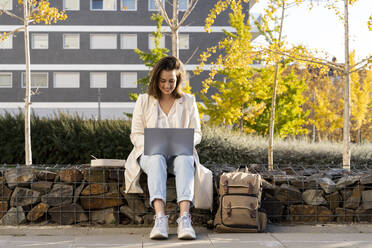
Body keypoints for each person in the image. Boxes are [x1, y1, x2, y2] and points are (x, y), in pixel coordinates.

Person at [124, 56, 205, 240]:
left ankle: (185, 219)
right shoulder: (144, 100)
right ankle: (160, 219)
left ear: (178, 80)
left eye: (171, 81)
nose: (167, 85)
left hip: (179, 153)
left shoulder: (189, 101)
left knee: (185, 159)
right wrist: (153, 145)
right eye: (163, 81)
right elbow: (135, 134)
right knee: (157, 158)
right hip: (149, 155)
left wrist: (185, 142)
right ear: (156, 80)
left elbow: (197, 133)